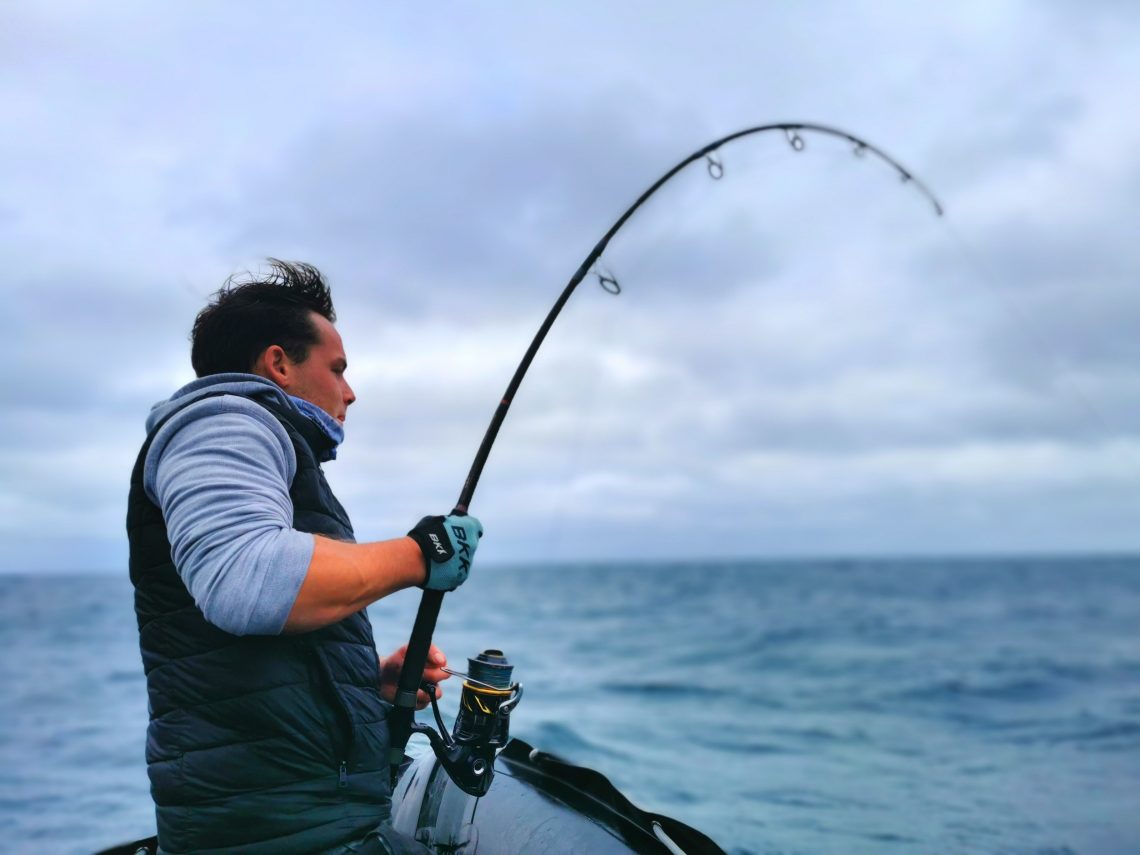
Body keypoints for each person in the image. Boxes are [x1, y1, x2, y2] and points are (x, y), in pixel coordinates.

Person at [127, 260, 482, 854]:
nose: (349, 391)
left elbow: (241, 659)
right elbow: (249, 580)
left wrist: (364, 689)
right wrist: (421, 554)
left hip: (299, 822)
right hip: (274, 835)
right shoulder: (223, 422)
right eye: (337, 369)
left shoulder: (264, 444)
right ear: (279, 364)